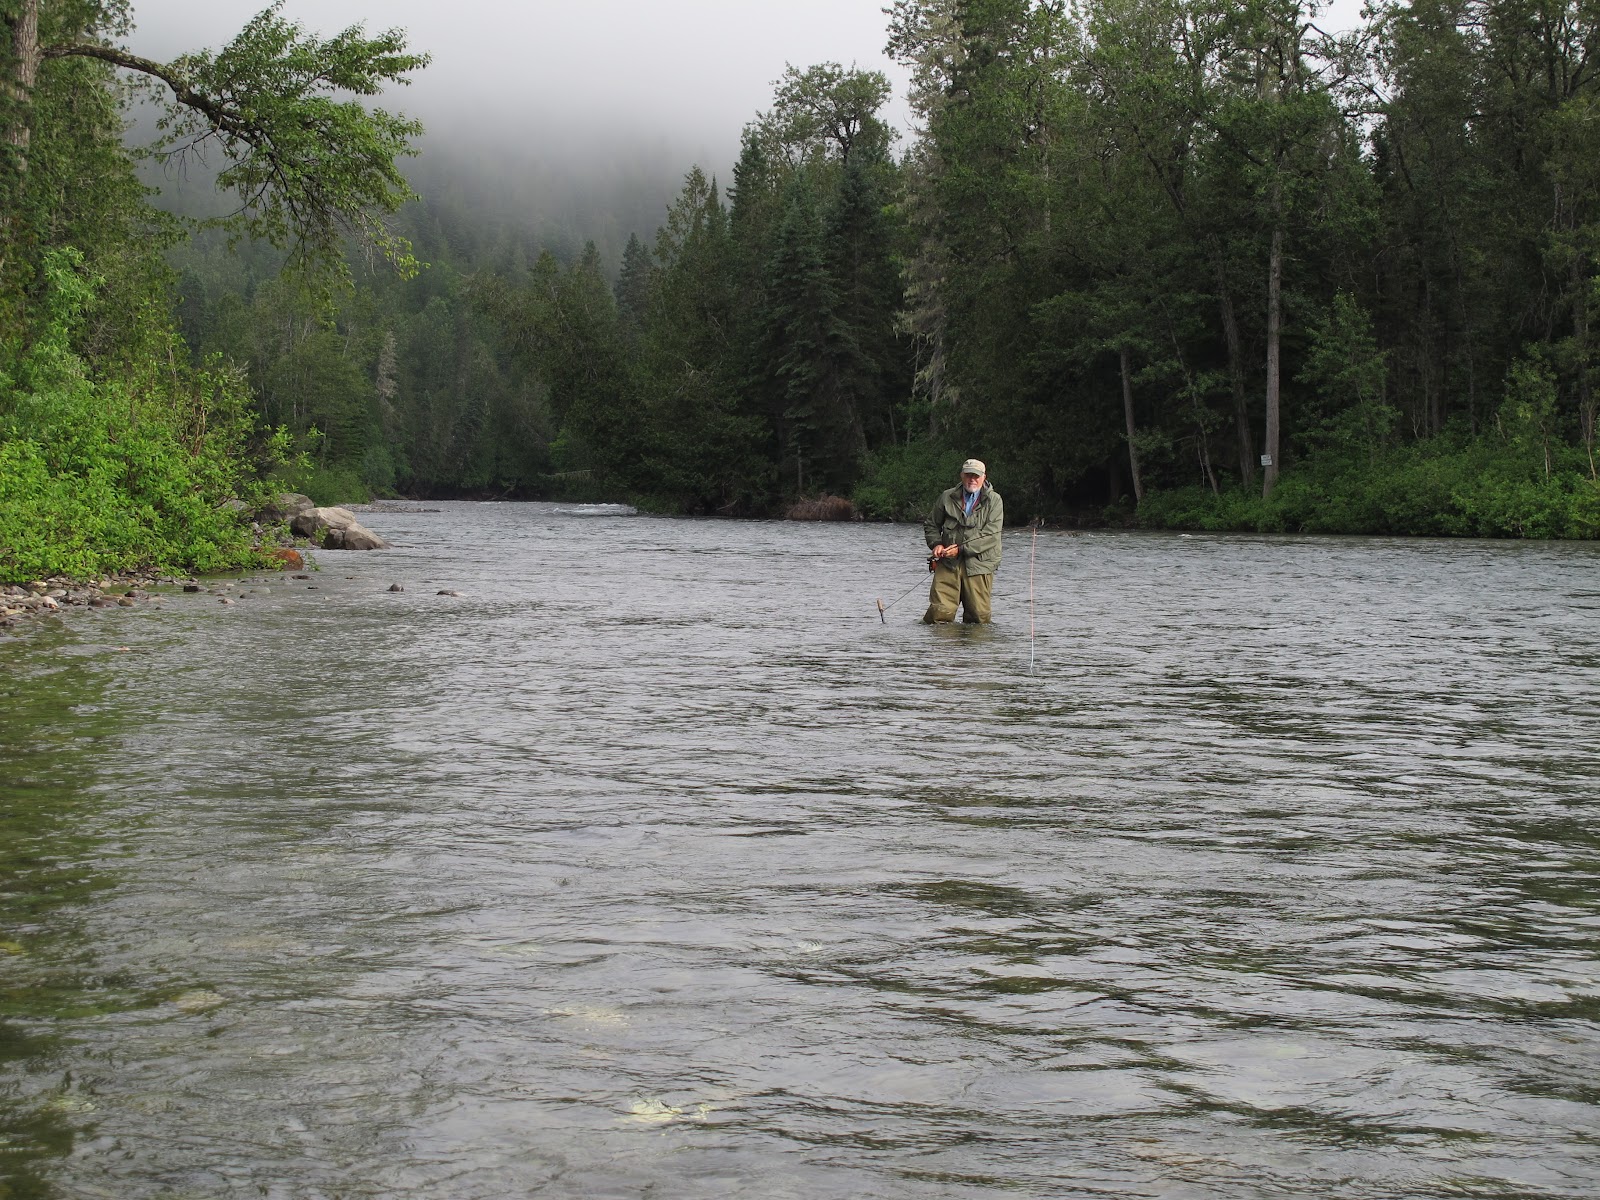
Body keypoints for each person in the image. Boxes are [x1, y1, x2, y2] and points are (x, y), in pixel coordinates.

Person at [923, 458, 1003, 624]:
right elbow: (931, 524)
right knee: (939, 614)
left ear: (984, 477)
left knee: (978, 618)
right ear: (961, 475)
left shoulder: (994, 501)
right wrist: (936, 544)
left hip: (980, 565)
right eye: (968, 475)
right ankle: (941, 649)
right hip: (948, 563)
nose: (972, 479)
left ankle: (973, 651)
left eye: (976, 475)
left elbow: (991, 535)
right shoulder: (946, 497)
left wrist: (960, 549)